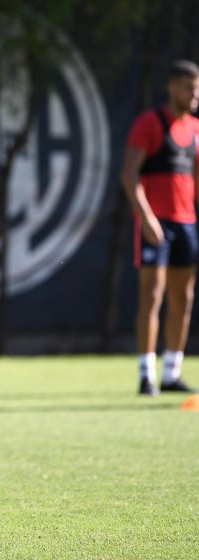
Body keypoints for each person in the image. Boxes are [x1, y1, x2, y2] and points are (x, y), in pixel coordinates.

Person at [121, 59, 199, 396]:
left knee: (183, 297)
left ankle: (171, 372)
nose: (194, 94)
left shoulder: (195, 128)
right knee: (151, 295)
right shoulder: (150, 123)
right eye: (189, 87)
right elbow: (129, 175)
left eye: (197, 88)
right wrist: (147, 217)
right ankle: (146, 374)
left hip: (187, 224)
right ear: (172, 87)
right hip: (156, 223)